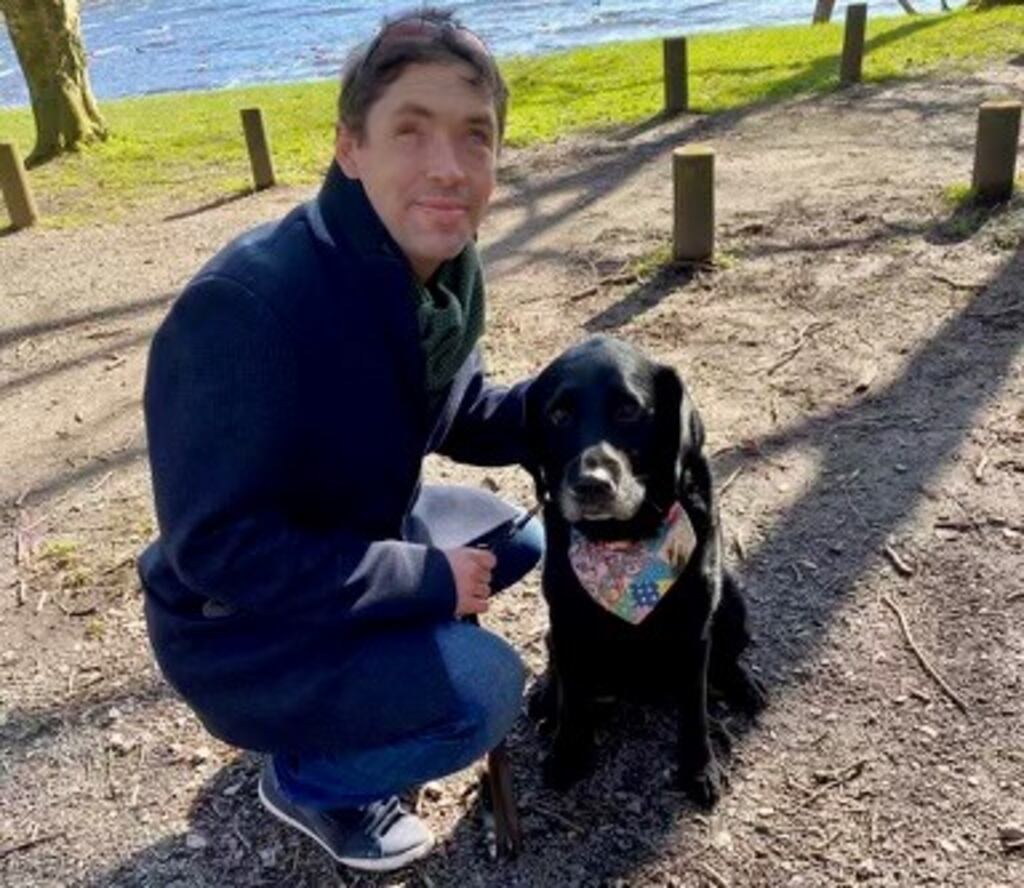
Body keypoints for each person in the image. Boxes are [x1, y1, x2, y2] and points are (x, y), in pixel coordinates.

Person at [138, 7, 543, 873]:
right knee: (484, 694)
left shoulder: (435, 276)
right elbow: (216, 548)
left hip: (357, 529)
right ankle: (313, 778)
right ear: (349, 148)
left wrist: (579, 400)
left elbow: (460, 408)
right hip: (240, 628)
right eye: (411, 130)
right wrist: (425, 579)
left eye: (476, 136)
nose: (448, 167)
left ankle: (370, 688)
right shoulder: (246, 310)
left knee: (527, 539)